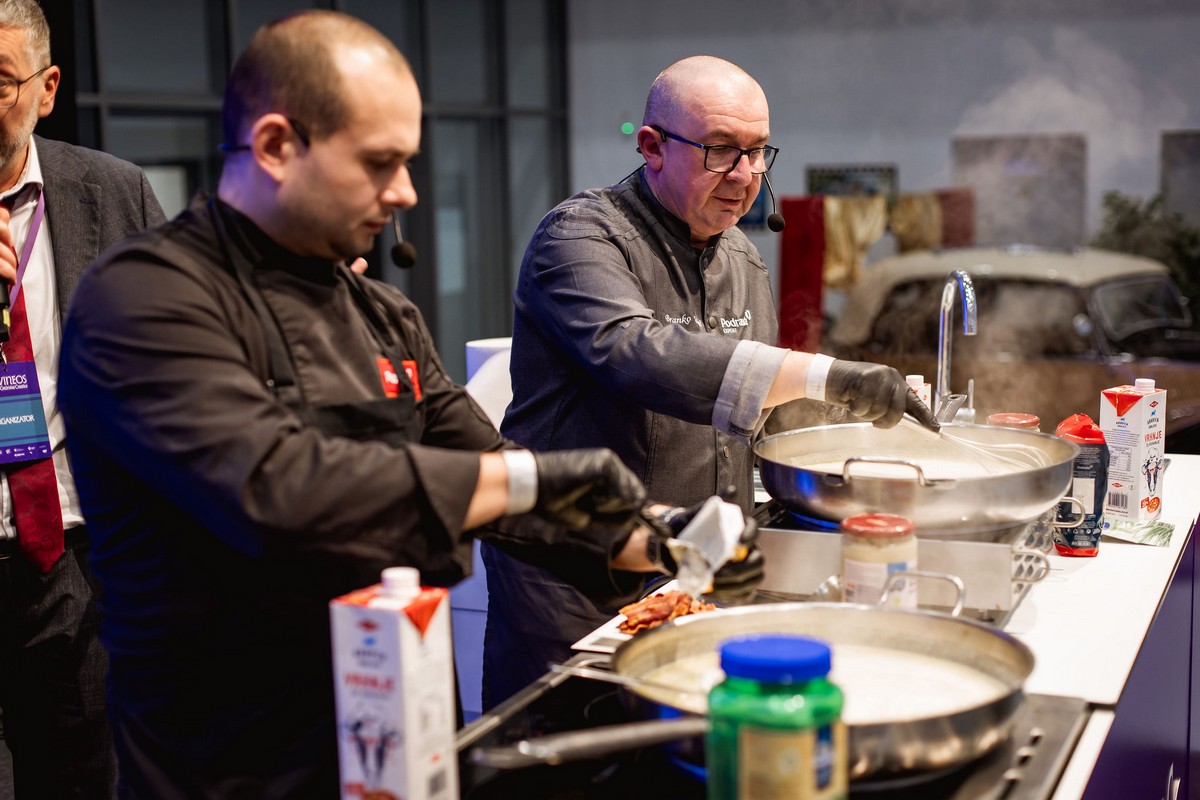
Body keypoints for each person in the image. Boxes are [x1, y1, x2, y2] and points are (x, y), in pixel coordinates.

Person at [56, 11, 744, 799]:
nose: (406, 191)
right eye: (379, 163)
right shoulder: (144, 299)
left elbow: (493, 476)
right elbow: (279, 489)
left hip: (401, 736)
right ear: (276, 146)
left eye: (407, 162)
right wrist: (534, 480)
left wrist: (668, 541)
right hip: (226, 762)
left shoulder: (383, 315)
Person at [482, 55, 937, 708]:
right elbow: (633, 351)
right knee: (570, 740)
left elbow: (763, 414)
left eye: (757, 152)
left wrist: (863, 445)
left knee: (679, 743)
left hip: (692, 567)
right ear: (652, 146)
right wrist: (826, 375)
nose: (746, 174)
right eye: (721, 150)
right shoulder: (581, 237)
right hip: (575, 576)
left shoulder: (742, 259)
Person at [0, 1, 166, 796]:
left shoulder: (114, 193)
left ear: (47, 87)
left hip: (75, 560)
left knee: (84, 780)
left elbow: (177, 354)